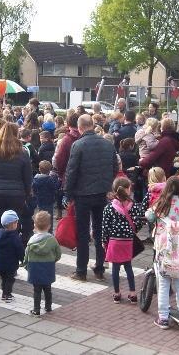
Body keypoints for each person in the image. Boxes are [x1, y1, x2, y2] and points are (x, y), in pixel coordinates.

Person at [64, 115, 118, 282]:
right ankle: (100, 268)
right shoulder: (107, 144)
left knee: (82, 233)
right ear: (92, 125)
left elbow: (71, 171)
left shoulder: (78, 145)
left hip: (83, 194)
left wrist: (68, 193)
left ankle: (81, 271)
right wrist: (107, 185)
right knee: (101, 231)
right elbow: (114, 167)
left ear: (80, 127)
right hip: (101, 193)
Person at [145, 176, 179, 329]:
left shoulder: (161, 202)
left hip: (163, 247)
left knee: (164, 282)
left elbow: (150, 216)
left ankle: (163, 318)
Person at [0, 122, 33, 253]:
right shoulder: (22, 153)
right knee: (14, 229)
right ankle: (11, 264)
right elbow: (28, 178)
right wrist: (26, 195)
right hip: (16, 195)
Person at [102, 177, 144, 303]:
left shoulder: (109, 208)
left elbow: (105, 226)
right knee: (128, 266)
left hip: (114, 241)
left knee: (115, 268)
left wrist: (104, 240)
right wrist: (133, 230)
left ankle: (116, 293)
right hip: (128, 240)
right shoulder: (134, 206)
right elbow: (139, 222)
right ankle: (132, 293)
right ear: (128, 189)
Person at [24, 211, 61, 317]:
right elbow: (58, 254)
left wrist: (26, 265)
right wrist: (53, 260)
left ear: (35, 225)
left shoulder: (31, 241)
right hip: (48, 267)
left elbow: (26, 255)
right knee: (48, 288)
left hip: (35, 268)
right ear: (49, 226)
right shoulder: (52, 240)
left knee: (37, 290)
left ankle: (36, 310)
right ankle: (48, 307)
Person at [0, 210, 25, 303]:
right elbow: (19, 249)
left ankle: (4, 293)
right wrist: (23, 259)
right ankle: (7, 295)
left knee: (4, 279)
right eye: (16, 222)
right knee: (10, 279)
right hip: (11, 264)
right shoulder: (14, 237)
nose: (17, 224)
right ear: (12, 224)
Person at [32, 160, 60, 226]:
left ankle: (41, 228)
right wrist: (58, 181)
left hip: (39, 201)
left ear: (39, 169)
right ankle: (49, 231)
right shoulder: (50, 179)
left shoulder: (36, 179)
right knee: (49, 217)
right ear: (49, 170)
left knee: (41, 216)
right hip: (49, 201)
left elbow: (34, 189)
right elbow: (55, 187)